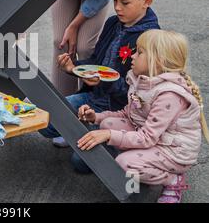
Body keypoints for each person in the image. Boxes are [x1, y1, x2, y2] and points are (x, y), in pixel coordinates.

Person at [39, 0, 160, 164]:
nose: (117, 7)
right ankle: (87, 129)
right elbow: (96, 62)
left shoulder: (151, 39)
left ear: (146, 1)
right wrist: (73, 67)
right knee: (44, 121)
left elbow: (141, 94)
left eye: (125, 2)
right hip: (92, 99)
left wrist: (105, 83)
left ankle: (118, 143)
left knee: (80, 162)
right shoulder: (113, 23)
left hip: (122, 112)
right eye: (114, 0)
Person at [76, 30, 209, 203]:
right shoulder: (142, 80)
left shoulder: (169, 95)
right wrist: (97, 117)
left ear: (157, 61)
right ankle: (142, 162)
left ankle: (172, 180)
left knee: (125, 163)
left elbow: (147, 137)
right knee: (108, 123)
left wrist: (110, 135)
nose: (132, 55)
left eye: (139, 52)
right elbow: (128, 114)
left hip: (173, 152)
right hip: (154, 137)